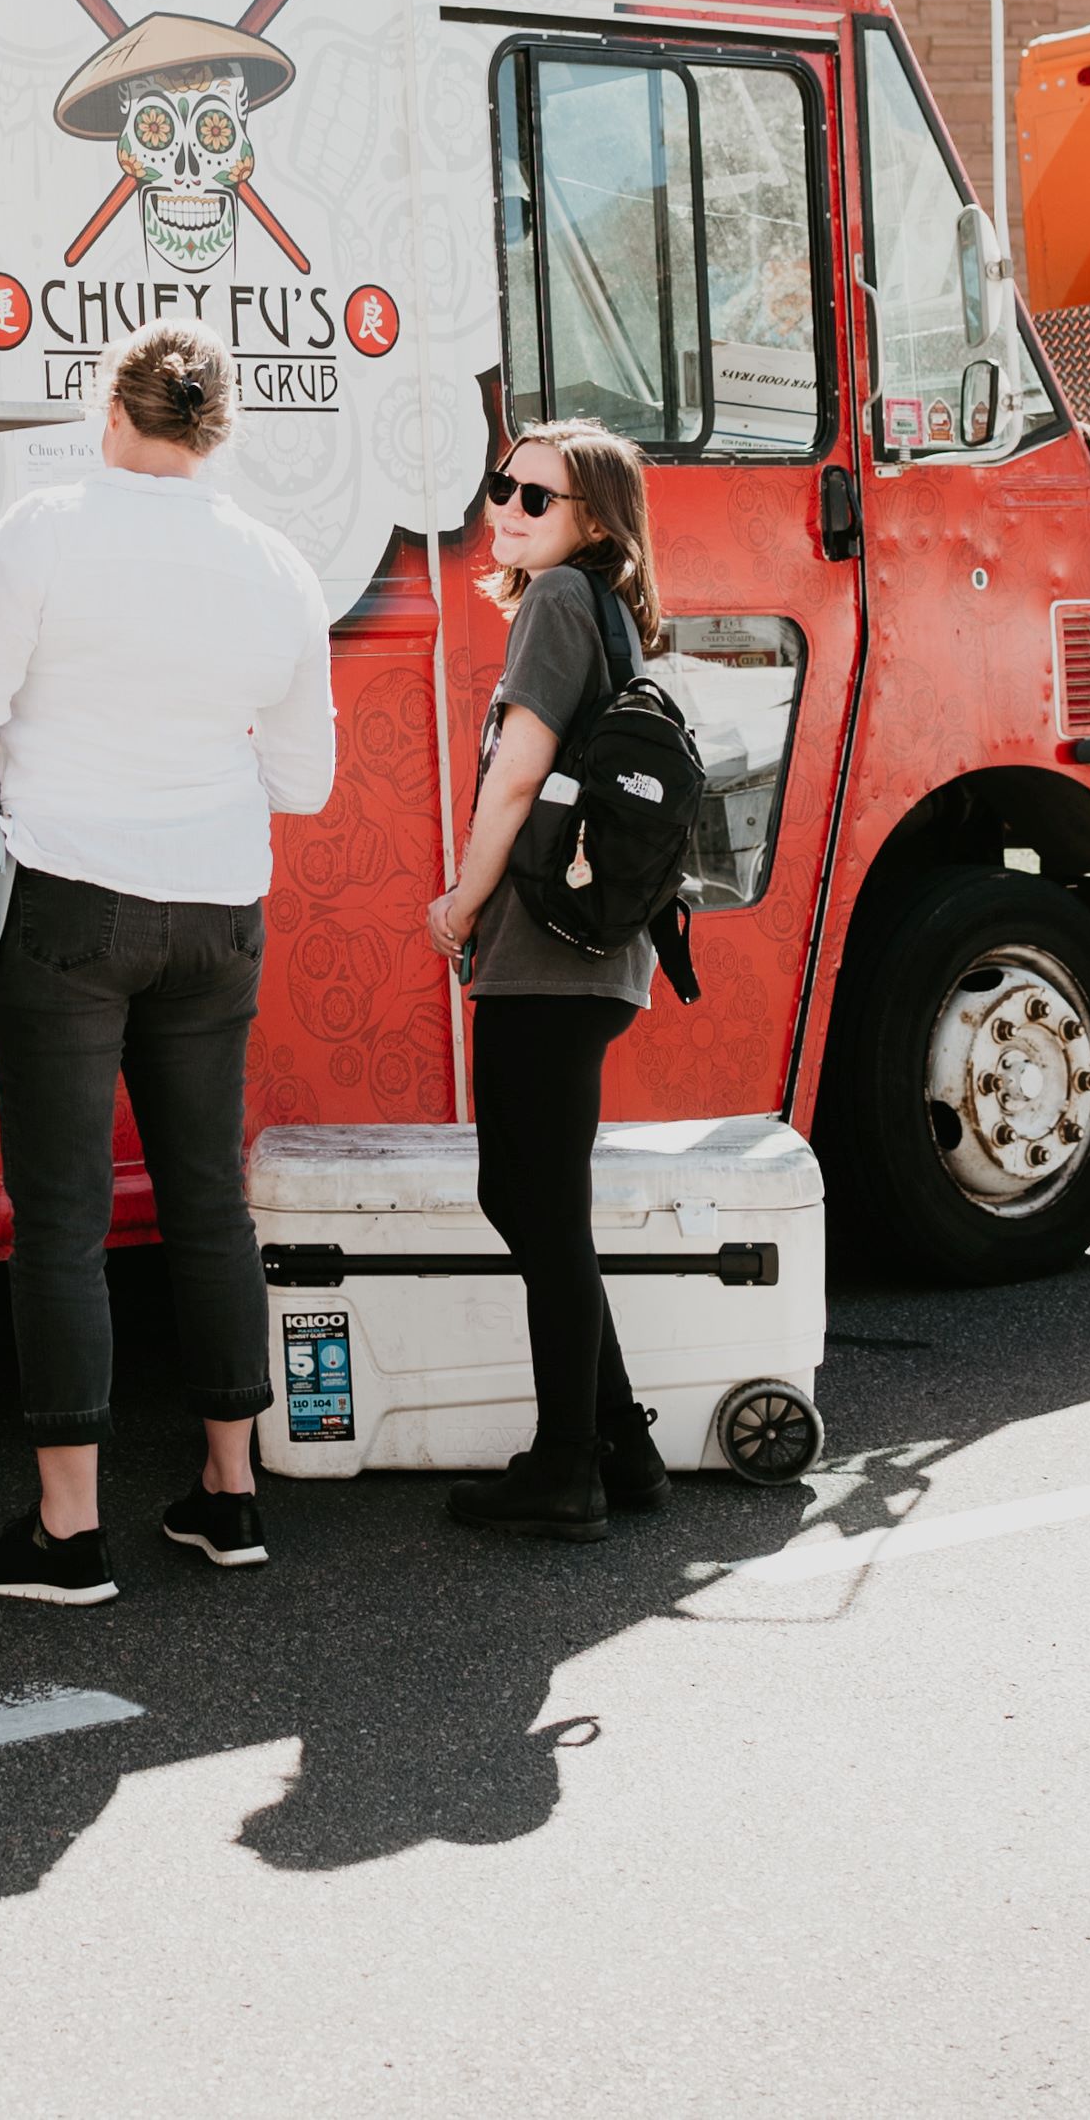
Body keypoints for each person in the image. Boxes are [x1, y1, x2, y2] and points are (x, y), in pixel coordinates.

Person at [0, 322, 339, 1602]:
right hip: (217, 915)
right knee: (208, 1200)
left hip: (67, 906)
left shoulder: (44, 529)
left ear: (114, 410)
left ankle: (69, 1533)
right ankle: (230, 1494)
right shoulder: (277, 565)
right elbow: (303, 781)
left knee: (66, 1218)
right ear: (215, 432)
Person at [424, 422, 675, 1537]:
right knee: (527, 1196)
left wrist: (461, 902)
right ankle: (618, 1445)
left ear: (593, 524)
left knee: (539, 1205)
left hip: (544, 953)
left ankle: (567, 1464)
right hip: (595, 954)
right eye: (504, 487)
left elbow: (518, 777)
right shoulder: (607, 612)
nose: (512, 508)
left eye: (539, 497)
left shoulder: (562, 605)